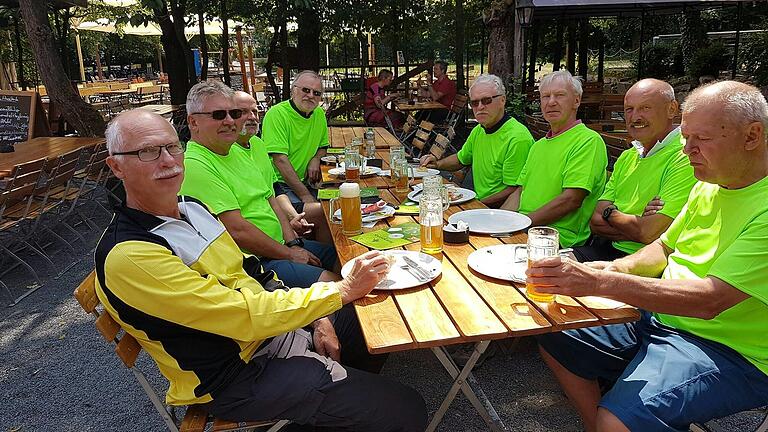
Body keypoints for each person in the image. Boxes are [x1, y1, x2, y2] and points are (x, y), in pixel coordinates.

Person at [96, 109, 428, 432]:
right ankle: (338, 398)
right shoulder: (131, 254)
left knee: (370, 321)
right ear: (116, 166)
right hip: (237, 375)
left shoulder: (191, 208)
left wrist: (318, 316)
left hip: (273, 333)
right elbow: (240, 315)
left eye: (171, 147)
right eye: (148, 152)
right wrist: (338, 292)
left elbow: (254, 272)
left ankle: (338, 398)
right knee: (407, 409)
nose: (167, 160)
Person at [529, 81, 768, 432]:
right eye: (685, 138)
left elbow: (710, 301)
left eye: (700, 139)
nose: (687, 151)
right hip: (662, 320)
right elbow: (663, 247)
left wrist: (603, 281)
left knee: (618, 419)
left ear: (752, 136)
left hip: (729, 350)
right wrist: (613, 266)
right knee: (553, 330)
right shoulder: (710, 183)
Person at [180, 80, 339, 288]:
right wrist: (290, 254)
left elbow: (270, 198)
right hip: (254, 263)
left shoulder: (237, 150)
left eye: (234, 114)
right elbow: (238, 231)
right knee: (341, 285)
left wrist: (291, 241)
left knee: (344, 255)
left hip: (280, 245)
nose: (229, 121)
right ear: (193, 123)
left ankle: (318, 317)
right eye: (219, 115)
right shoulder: (194, 165)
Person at [575, 79, 697, 262]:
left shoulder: (685, 156)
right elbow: (595, 221)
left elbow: (648, 233)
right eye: (629, 109)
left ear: (672, 109)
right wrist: (635, 222)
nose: (635, 117)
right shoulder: (628, 155)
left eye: (645, 108)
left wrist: (611, 213)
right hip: (604, 250)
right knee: (537, 266)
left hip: (645, 262)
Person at [502, 70, 607, 247]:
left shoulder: (588, 141)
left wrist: (520, 224)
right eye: (545, 96)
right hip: (524, 229)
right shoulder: (538, 145)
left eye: (559, 95)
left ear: (576, 101)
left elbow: (571, 200)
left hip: (555, 240)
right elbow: (520, 192)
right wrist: (499, 222)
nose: (551, 102)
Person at [419, 74, 533, 208]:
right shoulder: (479, 130)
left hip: (498, 211)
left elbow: (513, 191)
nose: (480, 107)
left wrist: (473, 205)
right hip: (479, 204)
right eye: (474, 103)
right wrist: (437, 164)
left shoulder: (517, 138)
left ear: (502, 100)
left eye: (486, 100)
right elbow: (461, 159)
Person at [233, 90, 331, 244]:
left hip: (279, 216)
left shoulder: (257, 144)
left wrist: (292, 217)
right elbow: (280, 163)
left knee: (328, 211)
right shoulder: (226, 153)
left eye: (254, 111)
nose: (252, 117)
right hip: (264, 238)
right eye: (242, 112)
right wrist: (291, 242)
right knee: (327, 211)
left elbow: (273, 189)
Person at [262, 70, 328, 212]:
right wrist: (304, 195)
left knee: (339, 203)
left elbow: (323, 147)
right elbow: (279, 160)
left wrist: (316, 159)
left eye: (316, 93)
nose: (310, 96)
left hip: (307, 182)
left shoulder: (319, 114)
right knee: (321, 213)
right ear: (293, 90)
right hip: (280, 186)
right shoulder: (277, 114)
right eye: (306, 90)